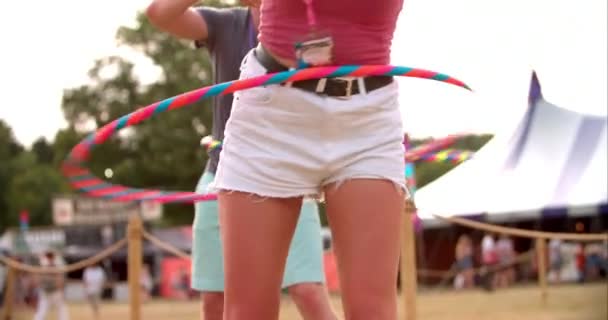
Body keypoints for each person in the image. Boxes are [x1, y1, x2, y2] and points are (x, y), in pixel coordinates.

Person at [158, 0, 406, 318]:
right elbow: (160, 12)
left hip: (366, 116)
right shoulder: (226, 25)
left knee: (372, 310)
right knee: (248, 312)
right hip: (272, 108)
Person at [145, 2, 337, 320]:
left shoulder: (309, 23)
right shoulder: (226, 24)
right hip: (221, 174)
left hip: (293, 174)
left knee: (308, 291)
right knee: (215, 301)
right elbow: (159, 14)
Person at [33, 251, 68, 320]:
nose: (50, 258)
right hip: (46, 291)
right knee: (42, 310)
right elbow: (38, 278)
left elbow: (60, 278)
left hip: (55, 291)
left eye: (51, 256)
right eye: (48, 256)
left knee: (61, 310)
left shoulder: (58, 264)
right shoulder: (43, 263)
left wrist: (61, 289)